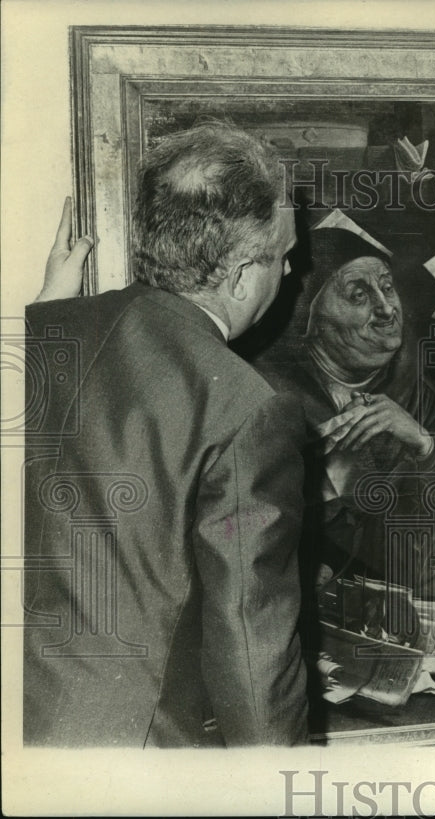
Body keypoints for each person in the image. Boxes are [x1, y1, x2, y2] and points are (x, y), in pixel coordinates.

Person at [23, 122, 309, 747]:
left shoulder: (45, 339)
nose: (288, 272)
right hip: (139, 751)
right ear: (240, 277)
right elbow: (250, 643)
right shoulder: (246, 406)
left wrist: (46, 310)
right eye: (284, 256)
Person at [255, 225, 435, 597]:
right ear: (309, 319)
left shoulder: (407, 377)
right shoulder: (272, 402)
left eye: (386, 286)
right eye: (358, 295)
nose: (385, 308)